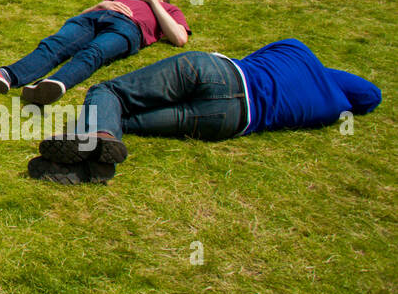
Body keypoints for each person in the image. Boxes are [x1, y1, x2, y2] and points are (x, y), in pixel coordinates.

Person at [27, 39, 382, 185]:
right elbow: (371, 95)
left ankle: (98, 138)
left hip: (217, 72)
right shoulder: (330, 106)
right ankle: (89, 161)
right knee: (124, 119)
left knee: (107, 92)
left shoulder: (296, 50)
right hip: (230, 122)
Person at [0, 0, 189, 106]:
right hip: (93, 18)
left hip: (128, 28)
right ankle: (4, 75)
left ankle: (49, 86)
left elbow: (179, 38)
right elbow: (82, 15)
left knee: (93, 52)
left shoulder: (168, 9)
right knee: (54, 44)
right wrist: (102, 4)